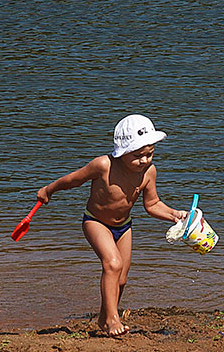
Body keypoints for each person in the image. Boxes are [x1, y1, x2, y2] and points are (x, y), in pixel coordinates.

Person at [37, 114, 186, 337]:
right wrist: (49, 190)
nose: (144, 160)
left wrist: (174, 214)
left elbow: (152, 204)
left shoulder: (148, 172)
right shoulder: (103, 165)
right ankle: (112, 319)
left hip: (124, 226)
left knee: (122, 278)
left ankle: (103, 316)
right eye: (138, 155)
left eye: (150, 154)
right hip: (96, 222)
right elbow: (74, 179)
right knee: (113, 264)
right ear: (123, 151)